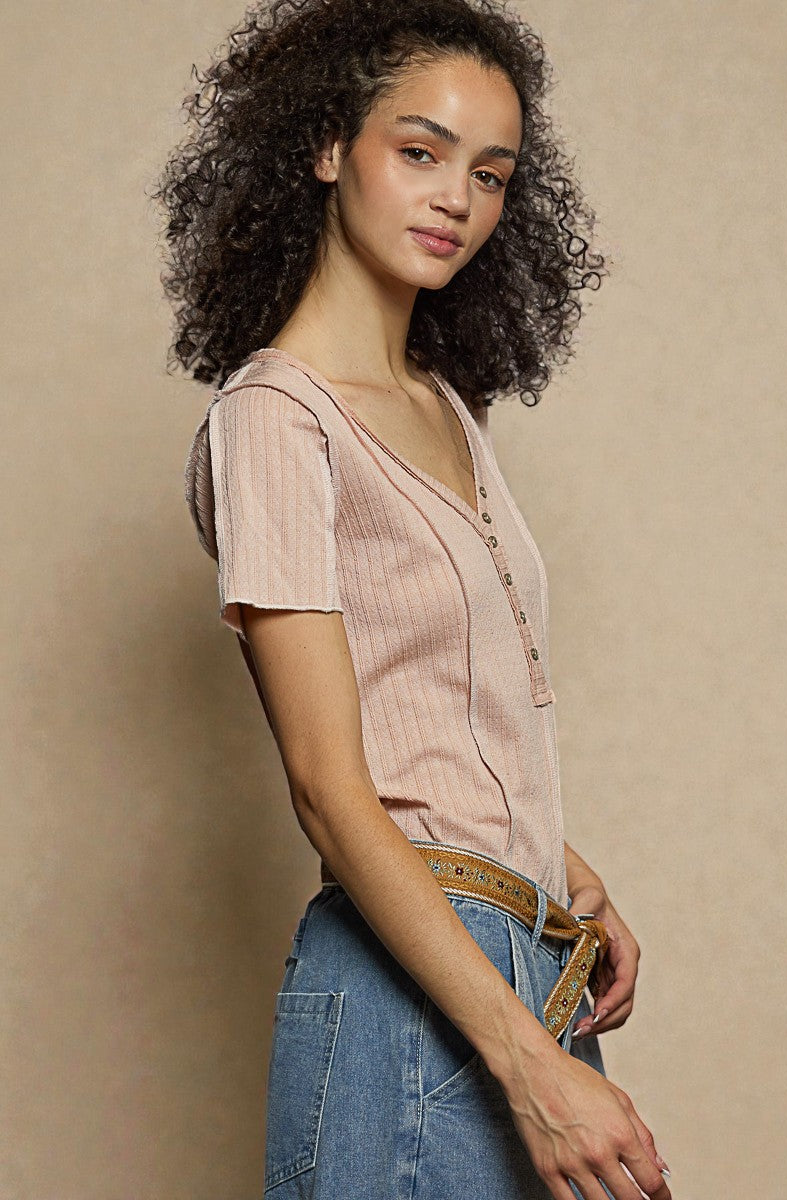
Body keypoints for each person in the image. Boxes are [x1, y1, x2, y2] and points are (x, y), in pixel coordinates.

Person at [154, 1, 673, 1196]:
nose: (456, 200)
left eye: (489, 174)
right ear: (325, 145)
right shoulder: (273, 419)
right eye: (420, 151)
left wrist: (551, 866)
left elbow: (420, 712)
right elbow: (330, 791)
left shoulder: (445, 405)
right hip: (411, 995)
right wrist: (529, 1066)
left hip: (512, 957)